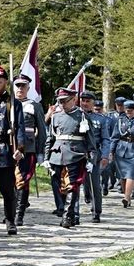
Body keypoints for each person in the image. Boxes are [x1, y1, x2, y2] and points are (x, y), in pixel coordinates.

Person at [42, 87, 96, 228]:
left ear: (74, 100)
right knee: (60, 187)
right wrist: (46, 158)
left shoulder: (82, 116)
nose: (62, 104)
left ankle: (67, 216)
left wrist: (91, 160)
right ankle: (70, 214)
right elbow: (50, 138)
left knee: (72, 186)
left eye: (65, 101)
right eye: (60, 102)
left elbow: (90, 141)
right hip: (57, 155)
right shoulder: (56, 116)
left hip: (75, 155)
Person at [0, 65, 26, 235]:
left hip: (5, 152)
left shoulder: (13, 104)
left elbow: (21, 127)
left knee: (8, 190)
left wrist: (20, 148)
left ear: (5, 83)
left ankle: (10, 220)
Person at [12, 74, 46, 226]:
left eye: (23, 86)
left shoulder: (34, 105)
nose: (20, 89)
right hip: (8, 148)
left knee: (22, 181)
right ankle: (10, 212)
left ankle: (19, 214)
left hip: (27, 148)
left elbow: (42, 130)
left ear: (28, 88)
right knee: (9, 182)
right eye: (17, 85)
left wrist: (40, 152)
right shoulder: (8, 104)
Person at [77, 91, 110, 223]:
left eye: (88, 101)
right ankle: (72, 212)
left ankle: (96, 211)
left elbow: (105, 139)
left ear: (93, 103)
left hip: (93, 154)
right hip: (77, 152)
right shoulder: (75, 115)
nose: (84, 103)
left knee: (94, 184)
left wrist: (105, 155)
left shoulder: (100, 119)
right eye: (82, 100)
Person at [110, 100, 134, 208]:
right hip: (121, 150)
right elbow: (114, 137)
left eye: (131, 111)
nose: (129, 113)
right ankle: (128, 196)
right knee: (122, 176)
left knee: (131, 175)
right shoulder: (120, 121)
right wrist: (111, 151)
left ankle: (126, 198)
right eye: (127, 111)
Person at [105, 97, 126, 192]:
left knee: (120, 166)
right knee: (110, 165)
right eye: (118, 105)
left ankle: (120, 184)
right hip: (111, 142)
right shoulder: (110, 116)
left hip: (122, 144)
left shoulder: (127, 116)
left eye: (122, 105)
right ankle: (112, 181)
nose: (120, 107)